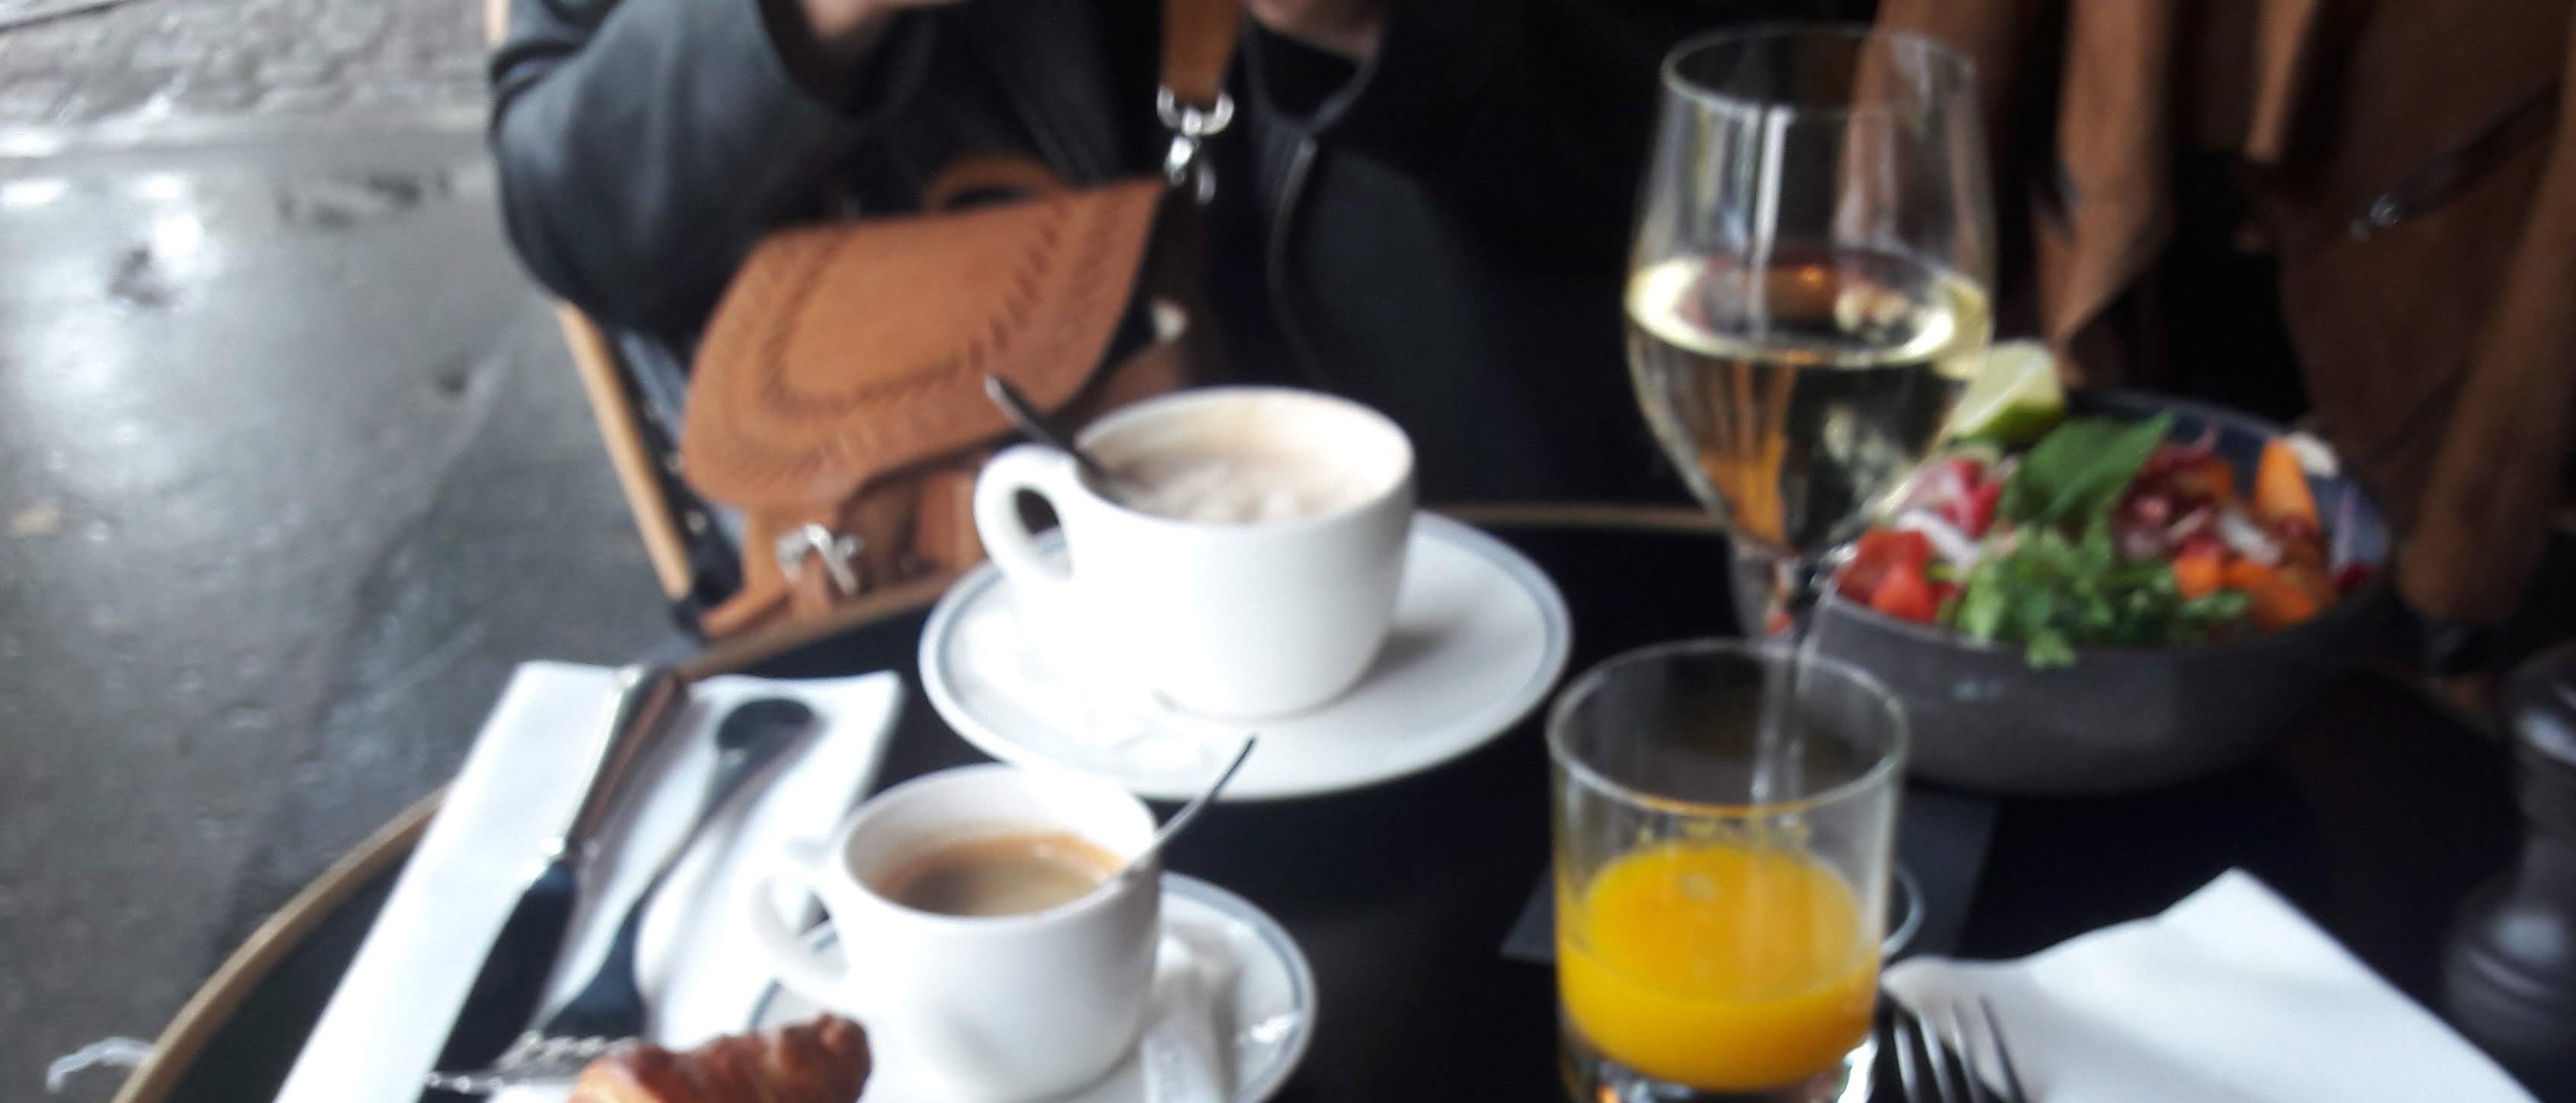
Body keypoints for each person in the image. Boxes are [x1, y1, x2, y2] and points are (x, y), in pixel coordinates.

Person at [489, 0, 1865, 506]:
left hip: (1480, 575)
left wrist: (1386, 35)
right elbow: (576, 220)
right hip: (946, 600)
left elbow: (1776, 184)